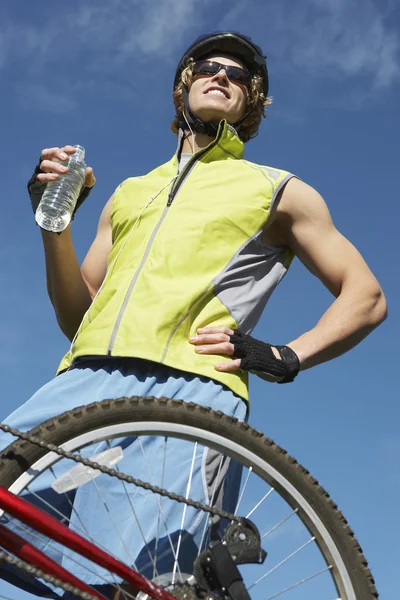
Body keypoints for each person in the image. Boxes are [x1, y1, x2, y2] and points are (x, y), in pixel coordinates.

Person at [0, 31, 387, 597]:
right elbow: (77, 317)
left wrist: (282, 355)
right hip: (84, 381)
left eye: (238, 74)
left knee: (139, 582)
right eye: (208, 66)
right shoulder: (130, 192)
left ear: (251, 102)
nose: (221, 75)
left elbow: (366, 296)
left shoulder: (279, 190)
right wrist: (55, 227)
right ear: (183, 86)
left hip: (191, 395)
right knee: (19, 526)